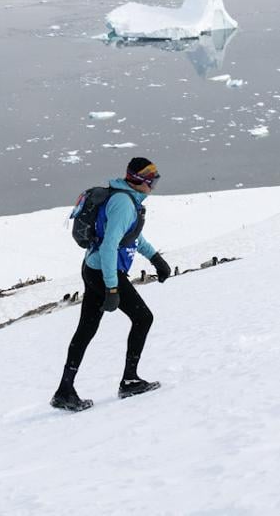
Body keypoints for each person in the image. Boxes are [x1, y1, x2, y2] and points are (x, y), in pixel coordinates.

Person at [52, 156, 172, 411]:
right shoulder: (124, 203)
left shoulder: (126, 198)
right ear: (140, 181)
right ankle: (129, 381)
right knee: (143, 318)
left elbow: (131, 236)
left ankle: (64, 390)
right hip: (104, 271)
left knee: (87, 328)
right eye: (153, 180)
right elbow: (109, 246)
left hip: (93, 267)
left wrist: (156, 258)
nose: (154, 185)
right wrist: (112, 288)